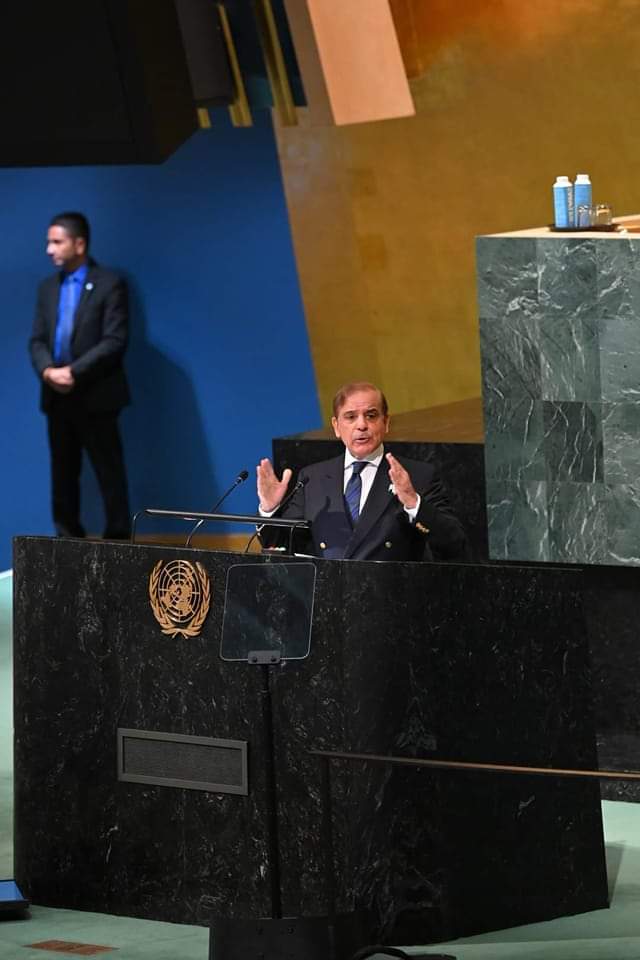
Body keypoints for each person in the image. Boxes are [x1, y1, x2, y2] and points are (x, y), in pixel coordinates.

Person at [257, 381, 467, 561]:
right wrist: (269, 510)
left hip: (390, 600)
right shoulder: (313, 477)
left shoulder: (417, 475)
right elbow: (282, 544)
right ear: (336, 426)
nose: (361, 425)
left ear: (386, 422)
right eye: (350, 417)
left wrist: (414, 504)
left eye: (371, 415)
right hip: (328, 600)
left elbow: (454, 543)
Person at [28, 211, 131, 540]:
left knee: (109, 474)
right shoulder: (47, 288)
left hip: (96, 396)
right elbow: (37, 340)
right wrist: (48, 371)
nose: (49, 249)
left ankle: (118, 544)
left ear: (79, 243)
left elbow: (114, 341)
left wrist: (72, 371)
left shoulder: (109, 283)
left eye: (56, 241)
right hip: (56, 398)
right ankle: (66, 543)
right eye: (49, 242)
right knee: (62, 476)